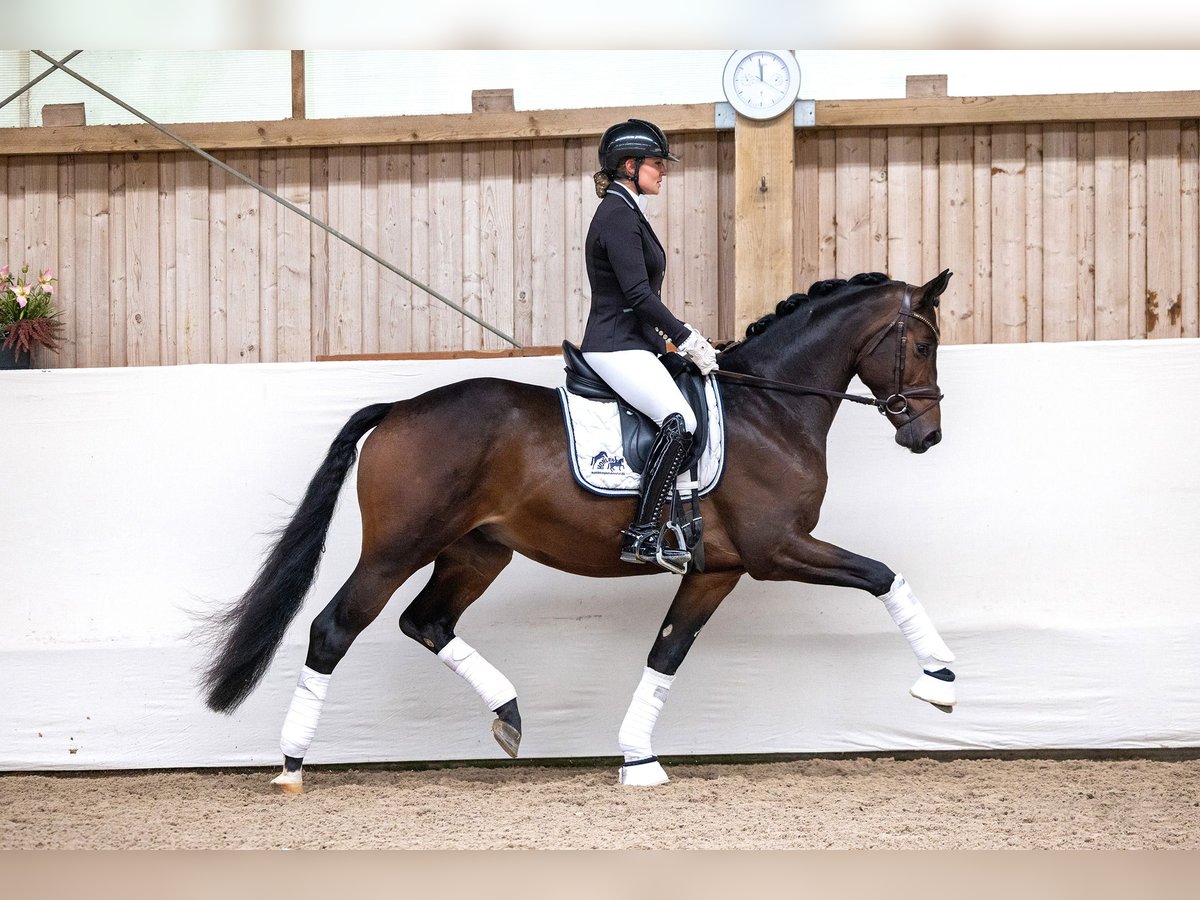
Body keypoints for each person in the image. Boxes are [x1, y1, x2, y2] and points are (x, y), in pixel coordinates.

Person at [580, 118, 720, 570]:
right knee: (679, 421)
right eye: (657, 164)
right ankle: (642, 534)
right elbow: (639, 296)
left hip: (634, 342)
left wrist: (670, 347)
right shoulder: (617, 215)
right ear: (629, 165)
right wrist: (686, 337)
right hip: (614, 345)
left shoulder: (628, 209)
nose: (664, 171)